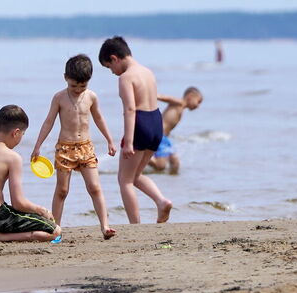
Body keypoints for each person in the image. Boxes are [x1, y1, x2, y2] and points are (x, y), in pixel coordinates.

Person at [29, 54, 117, 239]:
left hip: (86, 147)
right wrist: (37, 146)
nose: (78, 89)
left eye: (82, 86)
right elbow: (48, 122)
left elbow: (99, 118)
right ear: (65, 78)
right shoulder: (59, 97)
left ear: (89, 81)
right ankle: (55, 229)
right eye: (73, 85)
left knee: (95, 187)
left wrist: (109, 140)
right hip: (65, 149)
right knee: (62, 190)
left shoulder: (91, 97)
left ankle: (105, 226)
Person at [98, 36, 173, 224]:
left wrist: (129, 142)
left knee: (125, 180)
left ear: (114, 58)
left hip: (140, 123)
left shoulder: (126, 77)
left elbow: (130, 109)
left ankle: (135, 225)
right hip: (156, 123)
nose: (112, 72)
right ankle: (161, 201)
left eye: (109, 67)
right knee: (135, 176)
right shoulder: (148, 72)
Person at [0, 105, 61, 243]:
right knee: (54, 231)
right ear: (16, 132)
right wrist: (42, 210)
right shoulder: (12, 157)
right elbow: (18, 203)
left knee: (16, 214)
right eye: (23, 134)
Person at [149, 87, 203, 174]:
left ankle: (173, 182)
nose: (198, 106)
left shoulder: (181, 108)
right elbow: (165, 98)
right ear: (190, 96)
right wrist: (152, 95)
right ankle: (139, 157)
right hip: (159, 136)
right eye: (198, 101)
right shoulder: (179, 102)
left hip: (165, 138)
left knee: (175, 163)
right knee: (160, 166)